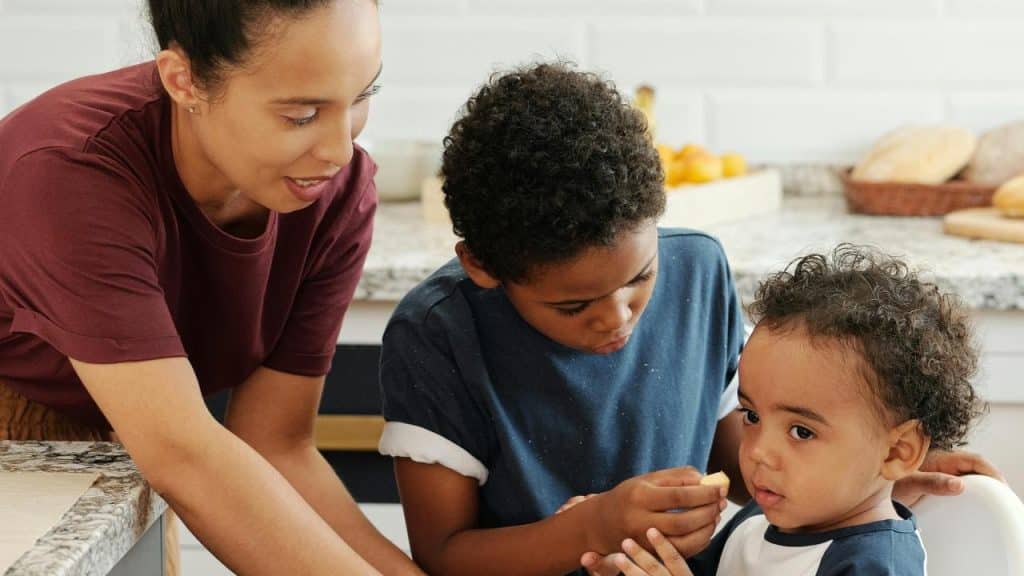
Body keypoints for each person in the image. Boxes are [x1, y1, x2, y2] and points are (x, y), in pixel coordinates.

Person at [377, 62, 1002, 576]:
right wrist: (590, 530)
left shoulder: (698, 271)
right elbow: (442, 555)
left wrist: (863, 468)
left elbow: (735, 455)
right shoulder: (437, 334)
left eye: (641, 278)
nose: (618, 319)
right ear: (483, 266)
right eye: (574, 307)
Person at [0, 1, 422, 574]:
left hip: (154, 439)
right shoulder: (70, 173)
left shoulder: (335, 195)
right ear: (184, 80)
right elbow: (185, 458)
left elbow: (275, 447)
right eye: (301, 114)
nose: (339, 151)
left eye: (362, 95)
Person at [604, 245, 991, 576]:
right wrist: (631, 554)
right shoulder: (760, 517)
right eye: (752, 416)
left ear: (896, 452)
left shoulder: (874, 565)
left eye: (801, 431)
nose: (757, 452)